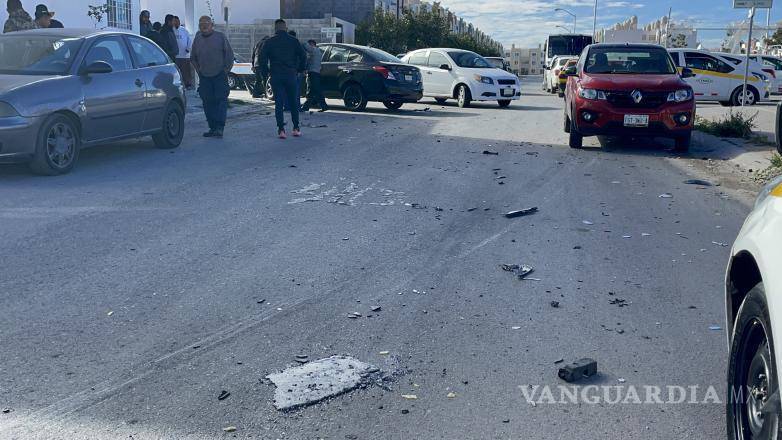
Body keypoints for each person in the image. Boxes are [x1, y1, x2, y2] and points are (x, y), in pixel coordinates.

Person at [259, 19, 306, 139]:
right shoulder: (293, 41)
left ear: (275, 28)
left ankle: (281, 130)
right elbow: (303, 55)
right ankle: (296, 128)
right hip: (291, 74)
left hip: (276, 75)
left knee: (279, 102)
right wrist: (300, 69)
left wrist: (266, 73)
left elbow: (262, 59)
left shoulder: (269, 42)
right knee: (293, 101)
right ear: (285, 28)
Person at [191, 15, 234, 138]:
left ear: (212, 25)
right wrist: (199, 71)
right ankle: (212, 127)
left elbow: (229, 56)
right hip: (205, 76)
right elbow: (193, 58)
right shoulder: (197, 38)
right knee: (207, 102)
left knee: (221, 101)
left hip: (219, 75)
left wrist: (225, 71)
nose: (203, 26)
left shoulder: (220, 37)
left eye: (206, 23)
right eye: (201, 24)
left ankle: (220, 127)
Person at [301, 40, 328, 112]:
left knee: (314, 90)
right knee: (313, 90)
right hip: (315, 73)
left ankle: (307, 107)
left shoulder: (314, 50)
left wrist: (301, 42)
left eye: (310, 44)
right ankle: (306, 107)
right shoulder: (317, 51)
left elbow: (307, 47)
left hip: (313, 73)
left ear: (312, 44)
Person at [173, 16, 193, 89]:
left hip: (185, 55)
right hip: (176, 56)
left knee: (186, 71)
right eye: (174, 21)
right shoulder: (172, 30)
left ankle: (188, 85)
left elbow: (189, 40)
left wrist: (188, 48)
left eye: (177, 21)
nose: (176, 22)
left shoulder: (184, 30)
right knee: (177, 72)